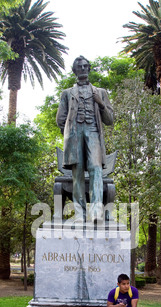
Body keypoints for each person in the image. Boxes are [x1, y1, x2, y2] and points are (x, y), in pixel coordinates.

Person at [56, 56, 114, 222]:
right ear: (74, 71)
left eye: (85, 66)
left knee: (96, 168)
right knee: (78, 172)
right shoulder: (67, 93)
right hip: (74, 134)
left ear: (89, 68)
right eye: (78, 66)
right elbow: (60, 118)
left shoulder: (100, 92)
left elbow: (110, 120)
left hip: (93, 131)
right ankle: (80, 214)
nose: (82, 68)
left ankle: (96, 212)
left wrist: (100, 103)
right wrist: (69, 133)